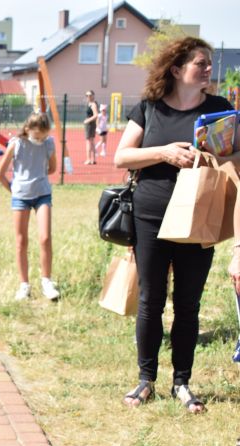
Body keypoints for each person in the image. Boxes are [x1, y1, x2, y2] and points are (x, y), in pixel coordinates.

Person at [115, 36, 240, 413]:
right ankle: (146, 380)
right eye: (200, 63)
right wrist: (165, 153)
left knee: (188, 303)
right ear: (176, 69)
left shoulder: (220, 109)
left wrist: (217, 156)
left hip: (200, 215)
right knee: (150, 300)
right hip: (150, 215)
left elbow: (238, 159)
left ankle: (182, 383)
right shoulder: (150, 107)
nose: (208, 69)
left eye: (209, 63)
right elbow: (122, 157)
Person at [0, 112, 60, 301]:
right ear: (27, 129)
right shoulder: (16, 144)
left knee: (45, 237)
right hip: (20, 197)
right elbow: (0, 174)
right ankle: (24, 284)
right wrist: (15, 191)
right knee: (21, 241)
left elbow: (52, 168)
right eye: (37, 136)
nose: (40, 140)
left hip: (42, 194)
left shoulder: (49, 143)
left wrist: (38, 174)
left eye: (43, 136)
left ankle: (46, 281)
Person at [83, 90, 99, 164]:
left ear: (93, 96)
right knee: (91, 142)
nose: (88, 97)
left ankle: (89, 159)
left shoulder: (93, 104)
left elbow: (96, 115)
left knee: (89, 142)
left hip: (90, 125)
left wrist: (87, 120)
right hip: (91, 124)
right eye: (87, 95)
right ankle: (93, 159)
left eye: (90, 95)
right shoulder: (89, 104)